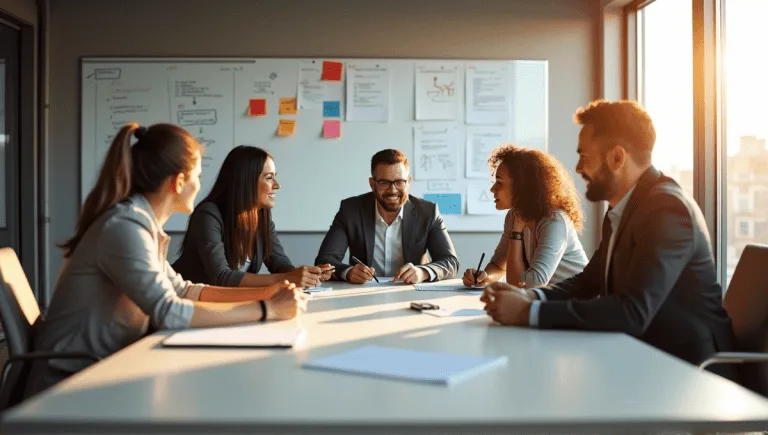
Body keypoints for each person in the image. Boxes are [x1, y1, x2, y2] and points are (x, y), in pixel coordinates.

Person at [25, 123, 308, 398]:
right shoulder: (124, 227)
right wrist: (266, 309)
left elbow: (186, 291)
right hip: (71, 383)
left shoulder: (142, 225)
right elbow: (168, 311)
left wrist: (269, 294)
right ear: (179, 182)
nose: (200, 185)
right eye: (197, 176)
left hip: (108, 367)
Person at [481, 100, 736, 380]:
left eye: (583, 155)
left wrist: (529, 312)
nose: (577, 168)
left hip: (690, 370)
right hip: (643, 353)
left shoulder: (667, 209)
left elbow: (632, 311)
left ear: (617, 158)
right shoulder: (623, 208)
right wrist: (530, 295)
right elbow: (590, 281)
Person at [173, 146, 333, 289]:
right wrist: (288, 278)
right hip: (185, 304)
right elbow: (221, 277)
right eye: (269, 177)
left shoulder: (262, 216)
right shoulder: (208, 214)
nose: (277, 185)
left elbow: (279, 264)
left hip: (227, 306)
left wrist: (307, 275)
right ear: (246, 182)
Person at [315, 149, 459, 284]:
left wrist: (422, 272)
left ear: (408, 182)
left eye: (399, 182)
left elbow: (450, 262)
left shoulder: (428, 212)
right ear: (372, 184)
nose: (393, 190)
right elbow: (325, 260)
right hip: (363, 293)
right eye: (384, 182)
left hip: (411, 292)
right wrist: (348, 272)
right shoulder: (351, 210)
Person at [462, 145, 588, 288]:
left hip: (578, 301)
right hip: (548, 300)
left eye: (499, 183)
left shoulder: (554, 221)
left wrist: (516, 231)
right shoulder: (513, 216)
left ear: (522, 186)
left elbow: (530, 284)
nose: (492, 189)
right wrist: (484, 277)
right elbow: (498, 265)